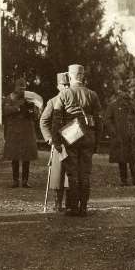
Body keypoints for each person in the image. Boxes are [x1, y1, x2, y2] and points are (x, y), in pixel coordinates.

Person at [50, 64, 102, 216]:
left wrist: (56, 141)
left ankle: (73, 208)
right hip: (88, 137)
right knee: (85, 173)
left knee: (72, 173)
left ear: (70, 76)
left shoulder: (64, 94)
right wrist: (97, 142)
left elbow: (56, 120)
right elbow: (99, 122)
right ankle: (83, 207)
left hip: (70, 136)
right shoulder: (93, 95)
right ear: (82, 76)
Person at [39, 72, 70, 211]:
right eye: (64, 84)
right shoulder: (53, 102)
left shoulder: (73, 100)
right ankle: (58, 203)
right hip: (59, 143)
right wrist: (49, 138)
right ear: (58, 86)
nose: (66, 87)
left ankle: (70, 204)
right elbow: (43, 121)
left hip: (72, 142)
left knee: (71, 173)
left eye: (68, 84)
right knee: (58, 173)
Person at [105, 88, 135, 187]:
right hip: (120, 137)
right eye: (122, 93)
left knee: (133, 159)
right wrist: (113, 132)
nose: (125, 95)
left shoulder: (133, 105)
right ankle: (124, 180)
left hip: (132, 137)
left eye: (126, 93)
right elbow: (107, 120)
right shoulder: (113, 106)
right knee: (121, 159)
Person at [2, 77, 39, 188]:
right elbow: (5, 111)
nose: (22, 90)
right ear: (15, 87)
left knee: (27, 157)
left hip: (27, 131)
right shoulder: (9, 98)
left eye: (24, 88)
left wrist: (31, 110)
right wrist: (18, 108)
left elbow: (36, 114)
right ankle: (15, 180)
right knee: (15, 156)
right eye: (20, 88)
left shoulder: (30, 98)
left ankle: (25, 181)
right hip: (14, 131)